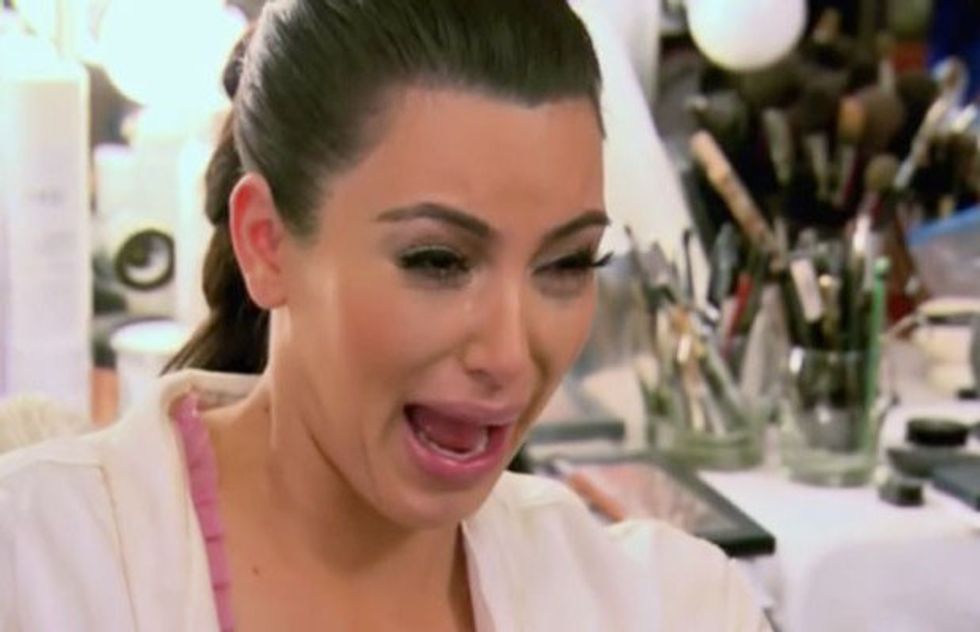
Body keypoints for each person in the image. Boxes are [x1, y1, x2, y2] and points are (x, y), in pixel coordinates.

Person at [0, 0, 770, 629]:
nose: (509, 353)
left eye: (567, 264)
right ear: (265, 244)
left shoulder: (669, 607)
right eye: (438, 261)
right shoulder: (36, 574)